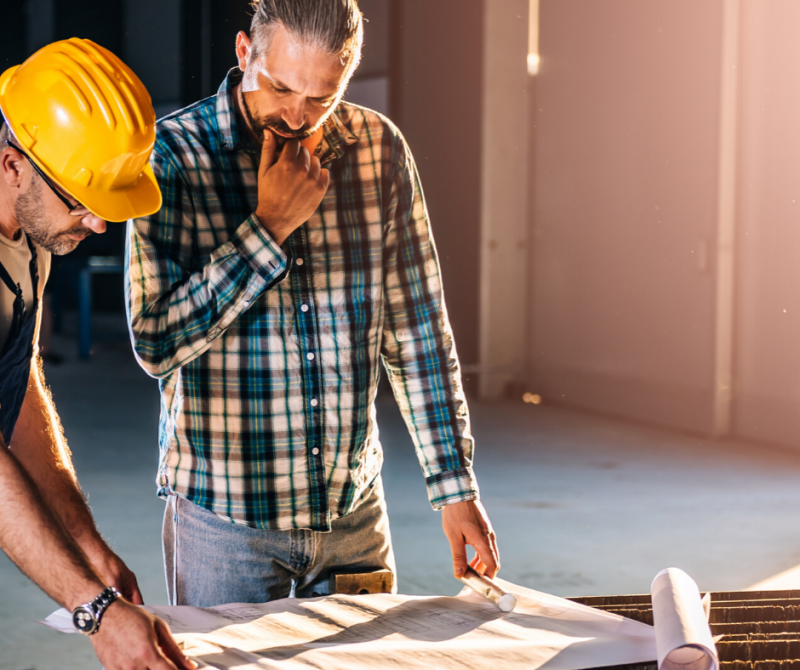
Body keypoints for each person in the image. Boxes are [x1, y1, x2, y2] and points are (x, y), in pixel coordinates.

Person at [126, 0, 500, 607]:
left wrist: (455, 487)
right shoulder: (172, 157)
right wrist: (268, 228)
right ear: (246, 53)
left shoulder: (378, 150)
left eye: (321, 98)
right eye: (280, 88)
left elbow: (419, 333)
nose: (297, 116)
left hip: (352, 517)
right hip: (225, 522)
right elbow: (155, 342)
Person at [0, 38, 194, 669]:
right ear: (13, 166)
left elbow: (17, 378)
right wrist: (96, 612)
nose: (97, 223)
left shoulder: (33, 232)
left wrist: (86, 546)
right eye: (82, 201)